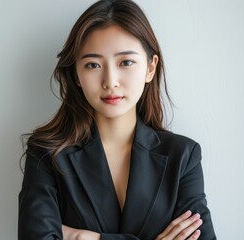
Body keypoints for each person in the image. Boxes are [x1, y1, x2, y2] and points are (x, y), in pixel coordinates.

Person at [18, 0, 216, 239]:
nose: (110, 81)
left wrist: (85, 237)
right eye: (93, 65)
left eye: (126, 62)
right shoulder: (47, 153)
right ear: (77, 75)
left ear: (150, 68)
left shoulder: (183, 156)